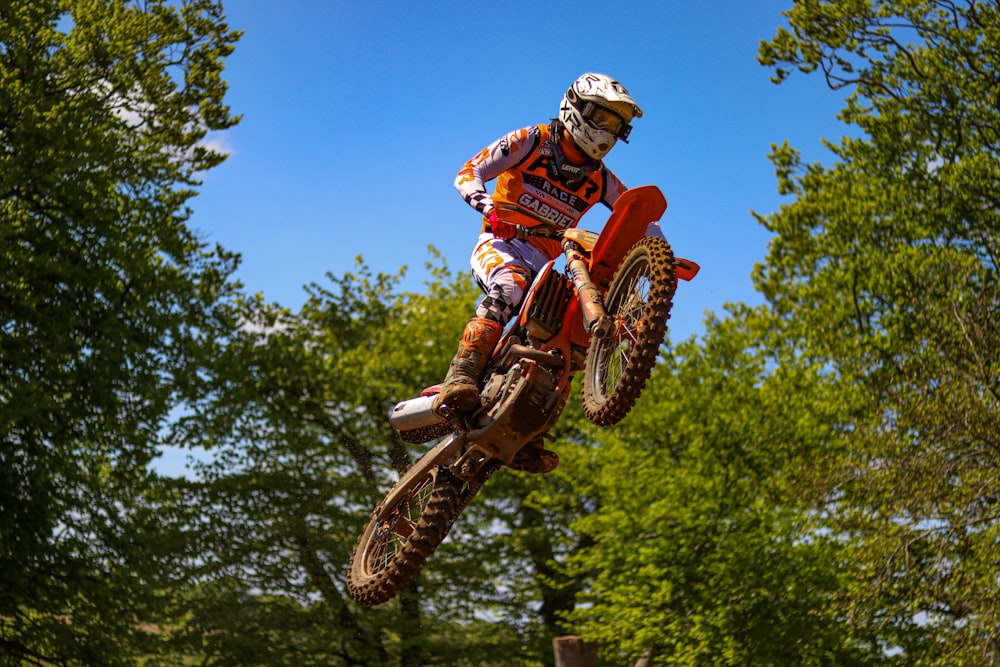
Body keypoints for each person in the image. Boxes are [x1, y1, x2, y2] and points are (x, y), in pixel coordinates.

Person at [434, 72, 643, 469]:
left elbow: (640, 222)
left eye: (616, 124)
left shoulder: (601, 180)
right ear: (576, 108)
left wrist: (658, 250)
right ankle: (461, 372)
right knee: (509, 288)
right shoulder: (532, 141)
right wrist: (489, 209)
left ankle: (530, 430)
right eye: (601, 117)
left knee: (572, 341)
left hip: (549, 263)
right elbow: (468, 172)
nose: (606, 131)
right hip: (502, 245)